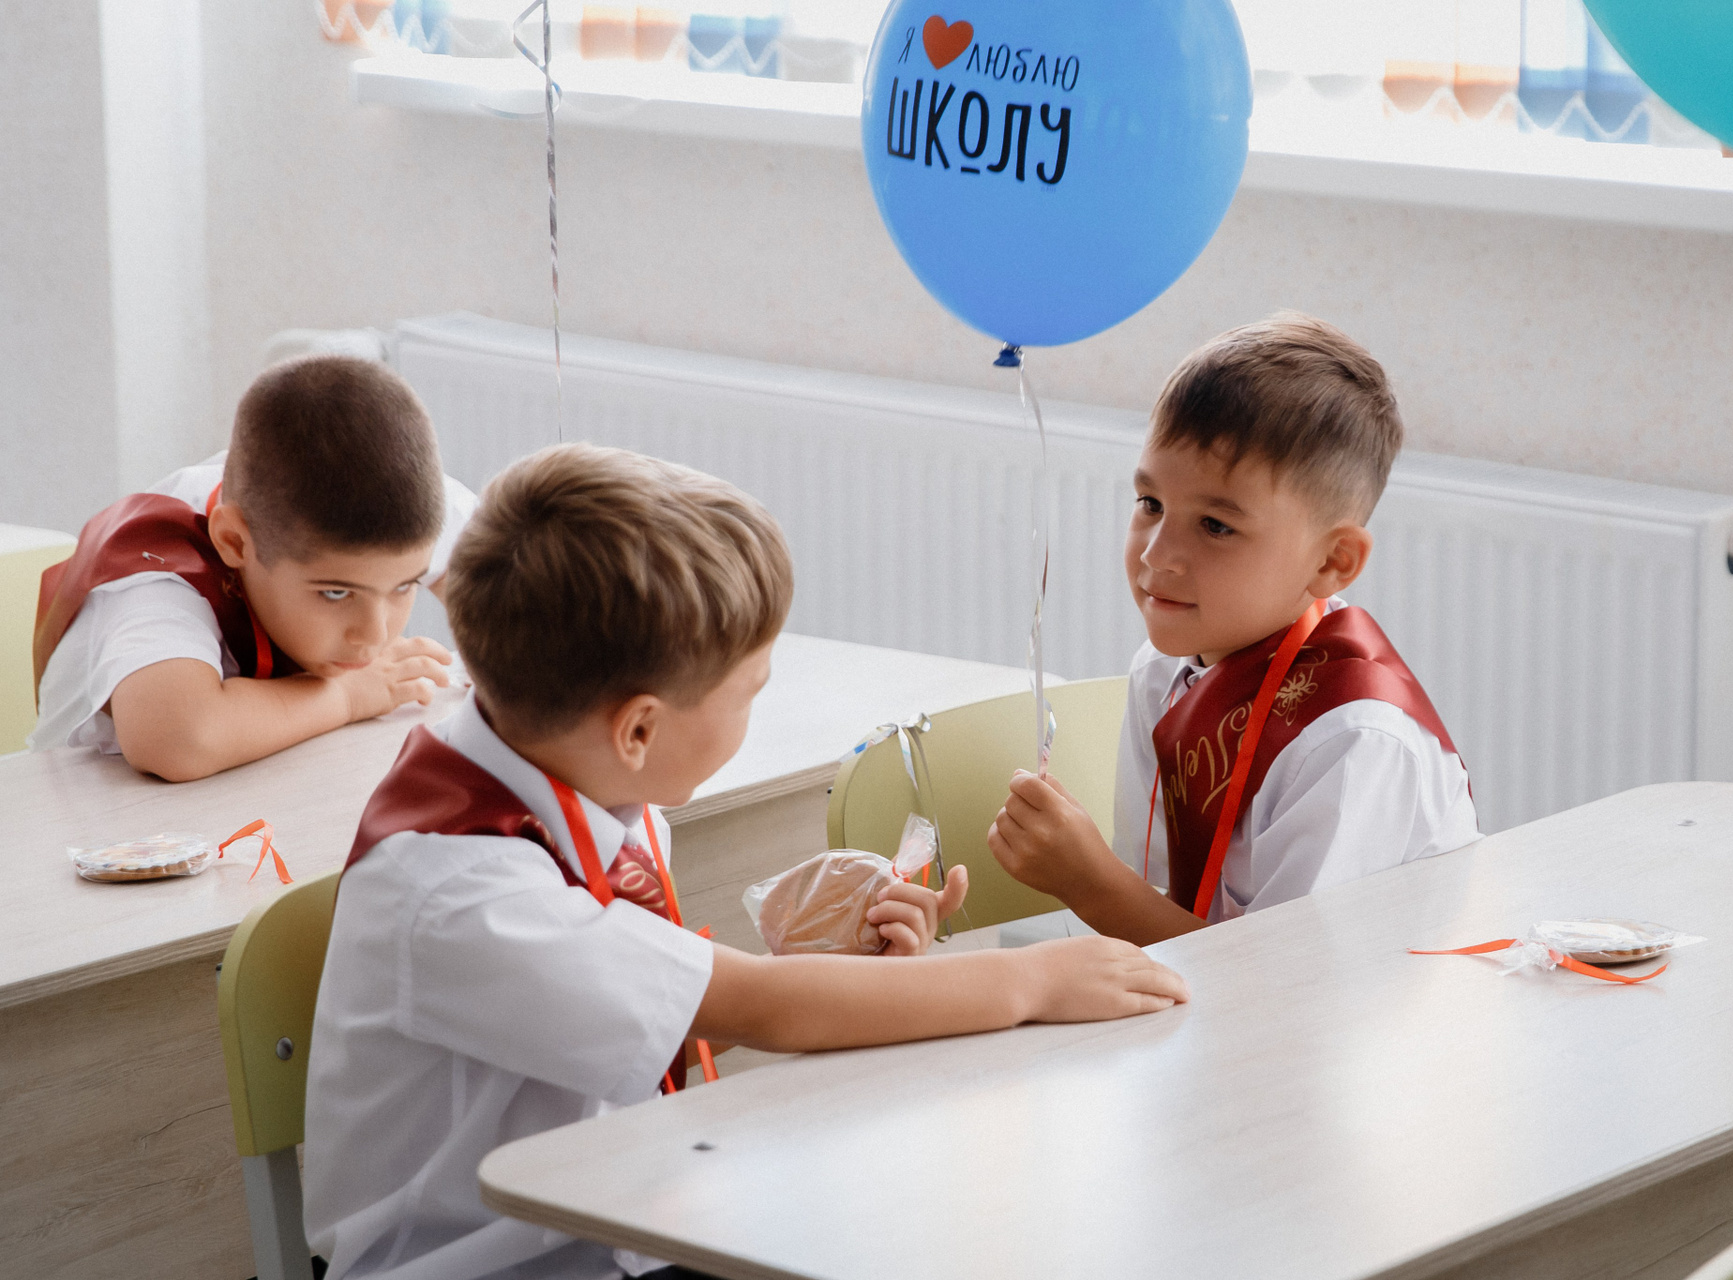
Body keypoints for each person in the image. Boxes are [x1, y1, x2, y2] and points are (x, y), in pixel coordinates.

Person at [303, 443, 1189, 1280]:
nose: (756, 708)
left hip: (621, 1219)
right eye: (749, 690)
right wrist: (1033, 980)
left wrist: (833, 968)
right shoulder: (465, 891)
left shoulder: (581, 782)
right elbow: (760, 1007)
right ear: (639, 729)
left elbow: (650, 1019)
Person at [988, 312, 1478, 945]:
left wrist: (1088, 883)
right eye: (1151, 504)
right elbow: (1159, 899)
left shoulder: (1352, 741)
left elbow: (1284, 984)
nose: (1157, 554)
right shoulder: (1161, 673)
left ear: (1332, 562)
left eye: (1216, 526)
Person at [29, 356, 472, 780]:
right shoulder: (157, 570)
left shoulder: (380, 507)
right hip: (90, 816)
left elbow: (506, 583)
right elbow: (178, 739)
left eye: (405, 586)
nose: (375, 635)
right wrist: (347, 695)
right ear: (234, 542)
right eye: (335, 593)